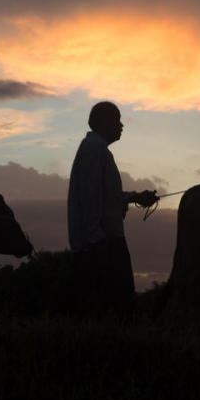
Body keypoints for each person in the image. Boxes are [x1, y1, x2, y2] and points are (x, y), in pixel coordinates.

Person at [67, 101, 158, 313]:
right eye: (116, 121)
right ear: (103, 123)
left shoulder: (96, 149)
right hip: (102, 244)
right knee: (116, 307)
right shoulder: (94, 150)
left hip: (102, 242)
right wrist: (97, 242)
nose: (121, 126)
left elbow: (105, 196)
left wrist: (136, 197)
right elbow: (90, 200)